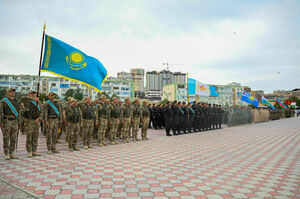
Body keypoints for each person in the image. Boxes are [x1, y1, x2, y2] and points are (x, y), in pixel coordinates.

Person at [0, 88, 21, 160]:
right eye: (11, 91)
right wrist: (1, 122)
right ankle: (6, 153)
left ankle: (12, 152)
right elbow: (0, 112)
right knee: (6, 137)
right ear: (7, 92)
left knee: (13, 137)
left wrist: (19, 122)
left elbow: (19, 112)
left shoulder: (17, 101)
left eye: (13, 91)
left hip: (15, 121)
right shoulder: (4, 101)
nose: (12, 93)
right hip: (7, 121)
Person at [21, 90, 42, 157]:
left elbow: (42, 111)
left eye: (34, 93)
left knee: (35, 136)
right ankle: (29, 151)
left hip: (37, 121)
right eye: (31, 93)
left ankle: (34, 150)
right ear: (28, 94)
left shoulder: (38, 102)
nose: (33, 94)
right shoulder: (27, 101)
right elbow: (23, 98)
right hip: (29, 121)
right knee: (29, 136)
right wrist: (33, 99)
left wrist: (39, 119)